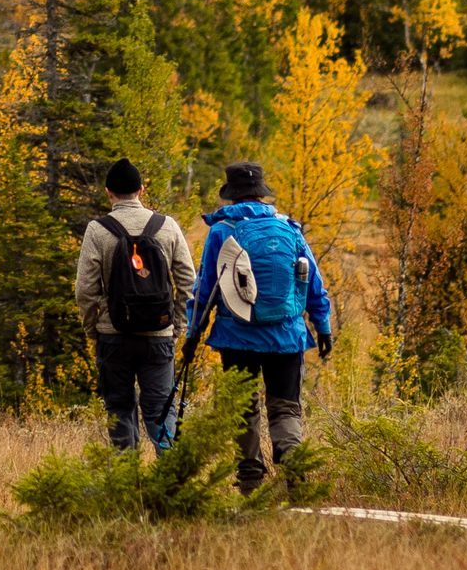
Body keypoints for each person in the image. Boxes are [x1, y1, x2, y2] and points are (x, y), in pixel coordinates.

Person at [183, 159, 332, 492]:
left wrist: (193, 334)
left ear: (231, 194)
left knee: (244, 404)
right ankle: (293, 464)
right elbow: (313, 281)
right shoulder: (290, 228)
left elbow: (205, 288)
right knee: (285, 404)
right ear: (261, 192)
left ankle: (250, 478)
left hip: (238, 337)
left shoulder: (223, 231)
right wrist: (323, 327)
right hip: (287, 335)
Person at [74, 156, 197, 452]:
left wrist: (94, 329)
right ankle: (170, 482)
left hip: (113, 335)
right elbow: (189, 281)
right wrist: (178, 325)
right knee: (160, 410)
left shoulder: (98, 230)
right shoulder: (167, 226)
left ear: (109, 192)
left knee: (119, 409)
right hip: (158, 335)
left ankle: (128, 483)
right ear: (142, 190)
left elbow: (85, 290)